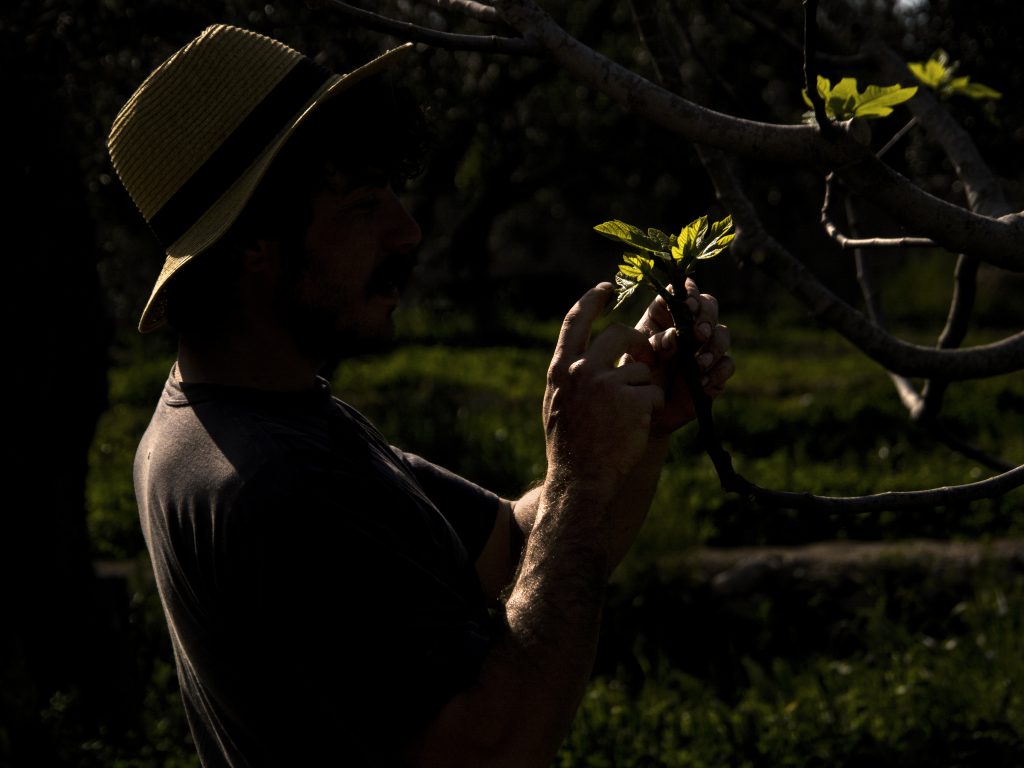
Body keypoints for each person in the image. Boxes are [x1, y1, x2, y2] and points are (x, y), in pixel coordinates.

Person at [109, 23, 734, 768]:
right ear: (254, 243)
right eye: (365, 205)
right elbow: (494, 749)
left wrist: (639, 430)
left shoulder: (254, 416)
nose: (408, 233)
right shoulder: (278, 488)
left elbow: (514, 546)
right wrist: (583, 478)